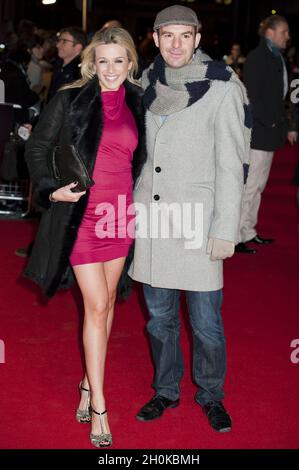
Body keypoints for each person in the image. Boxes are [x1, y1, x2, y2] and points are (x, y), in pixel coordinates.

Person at [128, 5, 251, 432]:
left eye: (185, 35)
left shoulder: (222, 88)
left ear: (197, 38)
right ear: (156, 38)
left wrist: (226, 229)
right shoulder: (142, 84)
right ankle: (165, 390)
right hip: (154, 223)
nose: (176, 44)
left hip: (199, 224)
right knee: (158, 319)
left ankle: (211, 394)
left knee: (206, 324)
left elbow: (232, 166)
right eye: (168, 36)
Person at [24, 27, 146, 447]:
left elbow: (141, 162)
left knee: (108, 302)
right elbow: (36, 148)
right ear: (91, 63)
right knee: (96, 305)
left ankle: (84, 382)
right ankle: (98, 404)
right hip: (83, 217)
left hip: (121, 217)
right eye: (103, 61)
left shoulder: (137, 102)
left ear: (130, 63)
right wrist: (48, 188)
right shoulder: (69, 100)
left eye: (119, 61)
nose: (111, 69)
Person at [237, 15, 298, 253]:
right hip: (259, 132)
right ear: (270, 33)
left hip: (270, 133)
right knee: (250, 186)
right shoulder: (257, 58)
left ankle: (248, 231)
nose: (287, 36)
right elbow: (251, 96)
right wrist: (270, 121)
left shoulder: (277, 57)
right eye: (284, 32)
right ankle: (236, 235)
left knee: (258, 186)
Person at [47, 26, 87, 101]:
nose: (57, 45)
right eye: (59, 41)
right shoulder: (58, 66)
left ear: (78, 47)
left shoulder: (80, 73)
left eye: (64, 41)